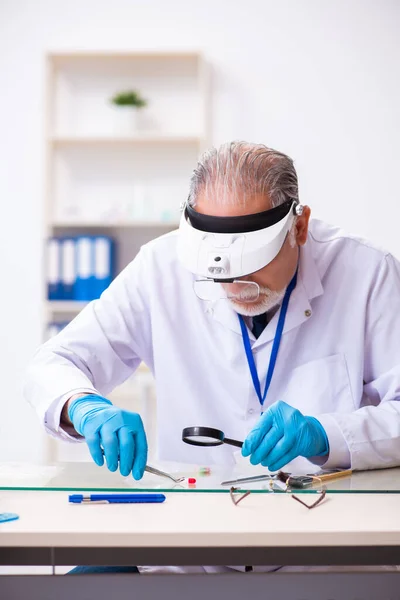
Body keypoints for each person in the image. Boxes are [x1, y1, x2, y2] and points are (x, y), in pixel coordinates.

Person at [24, 141, 400, 574]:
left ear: (299, 227)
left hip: (326, 553)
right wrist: (82, 406)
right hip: (188, 550)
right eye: (218, 270)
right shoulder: (160, 268)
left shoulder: (368, 273)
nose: (234, 285)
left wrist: (325, 434)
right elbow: (52, 363)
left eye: (252, 264)